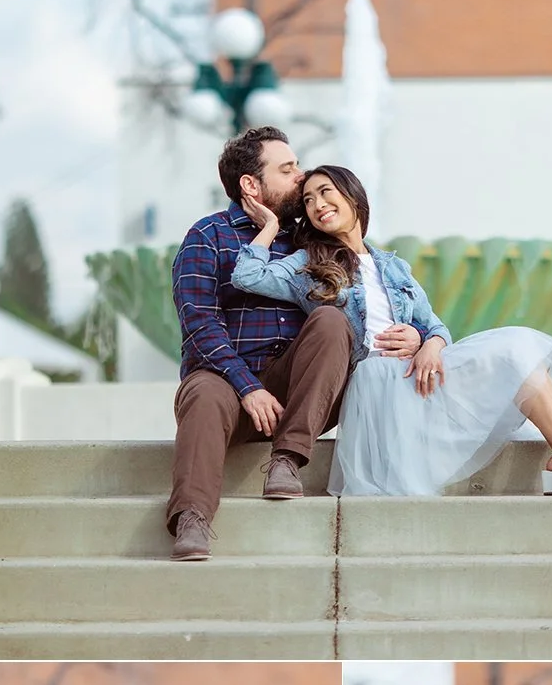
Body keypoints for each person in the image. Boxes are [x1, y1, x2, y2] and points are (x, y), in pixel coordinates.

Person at [231, 165, 552, 498]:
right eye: (308, 201)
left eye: (325, 192)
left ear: (353, 197)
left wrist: (428, 343)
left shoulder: (395, 267)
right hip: (374, 381)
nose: (317, 205)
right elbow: (248, 275)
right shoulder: (309, 263)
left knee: (515, 348)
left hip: (416, 372)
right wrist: (270, 224)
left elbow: (436, 325)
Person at [168, 128, 412, 559]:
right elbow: (199, 324)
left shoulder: (314, 239)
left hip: (307, 393)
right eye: (288, 169)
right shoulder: (208, 236)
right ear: (251, 185)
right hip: (229, 388)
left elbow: (378, 291)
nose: (301, 178)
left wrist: (420, 335)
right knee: (203, 391)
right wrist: (248, 387)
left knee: (331, 321)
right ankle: (192, 517)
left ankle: (287, 460)